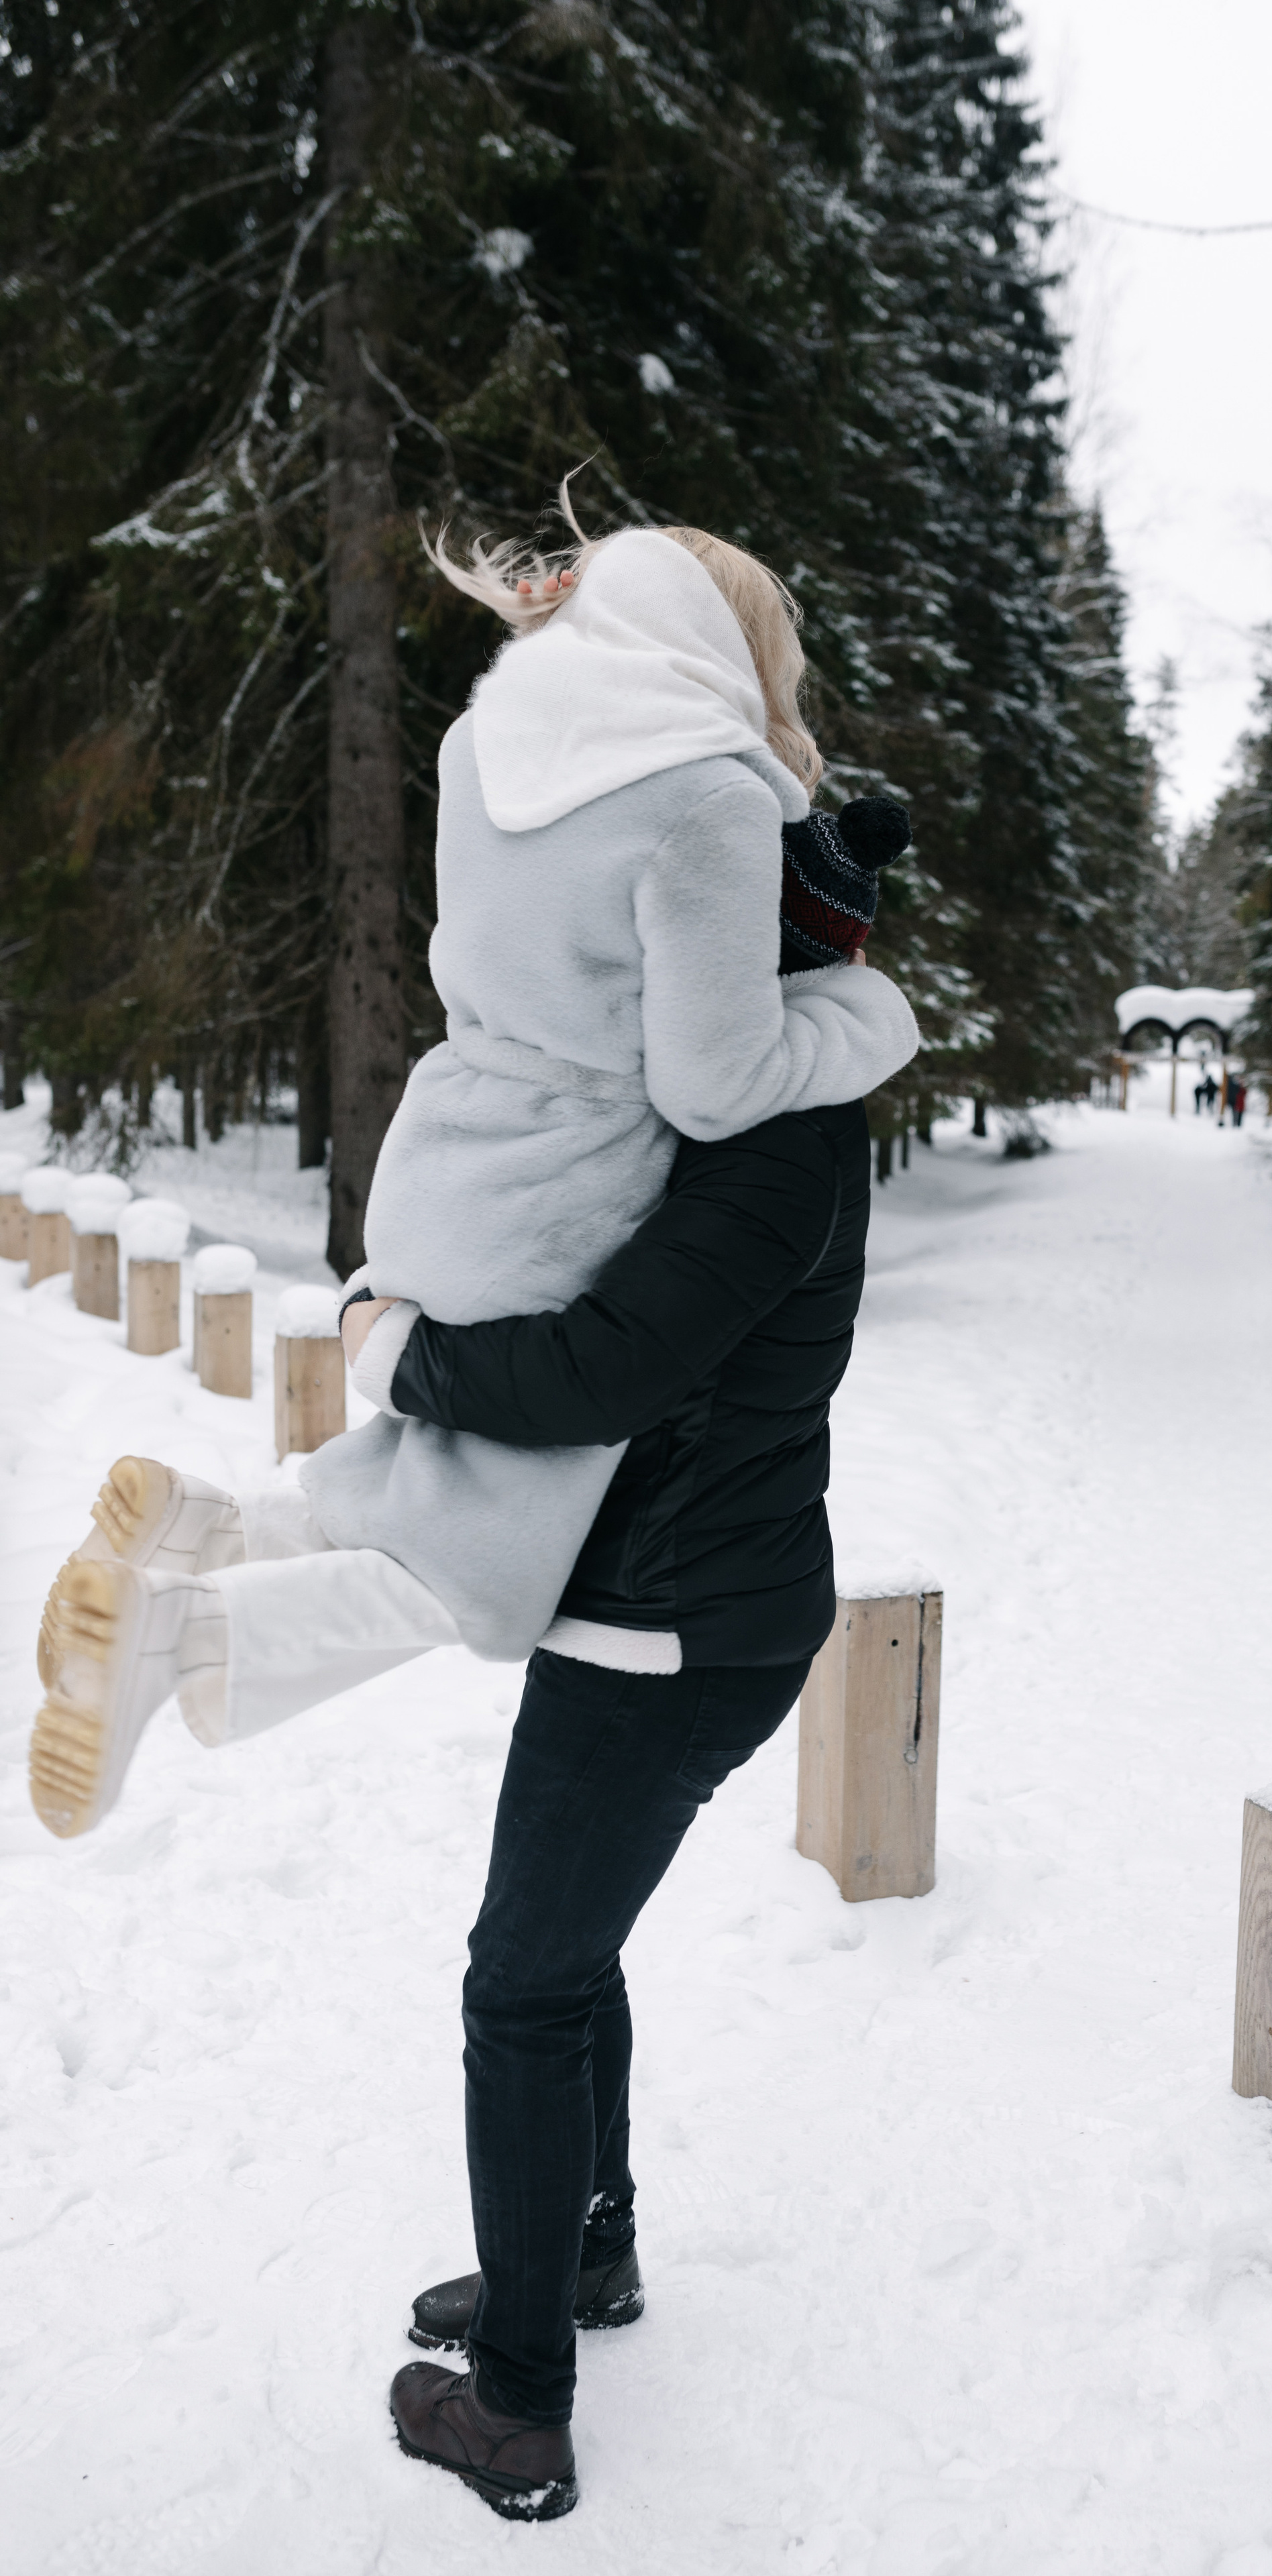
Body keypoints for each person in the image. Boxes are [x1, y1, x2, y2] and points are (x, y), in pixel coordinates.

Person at [28, 514, 918, 1841]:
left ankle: (212, 1535)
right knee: (483, 1570)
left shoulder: (485, 745)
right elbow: (710, 1082)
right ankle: (185, 1637)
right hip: (567, 1179)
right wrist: (866, 1024)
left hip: (445, 1156)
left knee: (431, 1461)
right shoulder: (709, 793)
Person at [358, 1086, 875, 2517]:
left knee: (521, 1987)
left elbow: (605, 1371)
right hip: (668, 1608)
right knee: (567, 1960)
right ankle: (583, 2251)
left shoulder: (781, 1135)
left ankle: (518, 2408)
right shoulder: (740, 1116)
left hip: (671, 1631)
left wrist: (401, 1357)